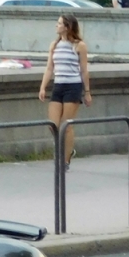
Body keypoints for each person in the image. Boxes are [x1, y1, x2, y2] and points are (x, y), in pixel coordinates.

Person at [39, 13, 91, 169]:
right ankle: (66, 149)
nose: (57, 25)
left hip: (73, 86)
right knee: (52, 124)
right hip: (59, 85)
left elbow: (84, 70)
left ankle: (65, 159)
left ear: (67, 27)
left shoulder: (79, 45)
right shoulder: (54, 45)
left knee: (66, 125)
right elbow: (49, 68)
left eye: (59, 23)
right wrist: (43, 86)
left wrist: (87, 92)